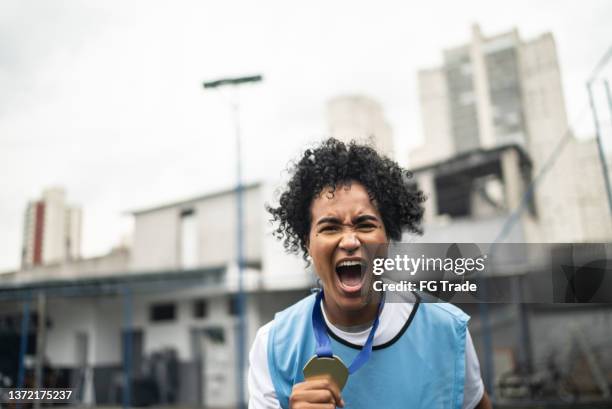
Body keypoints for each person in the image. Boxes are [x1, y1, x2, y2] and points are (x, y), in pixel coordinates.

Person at [248, 138, 492, 409]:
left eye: (365, 224)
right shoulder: (274, 344)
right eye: (330, 227)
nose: (350, 241)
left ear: (387, 237)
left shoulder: (446, 330)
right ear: (308, 243)